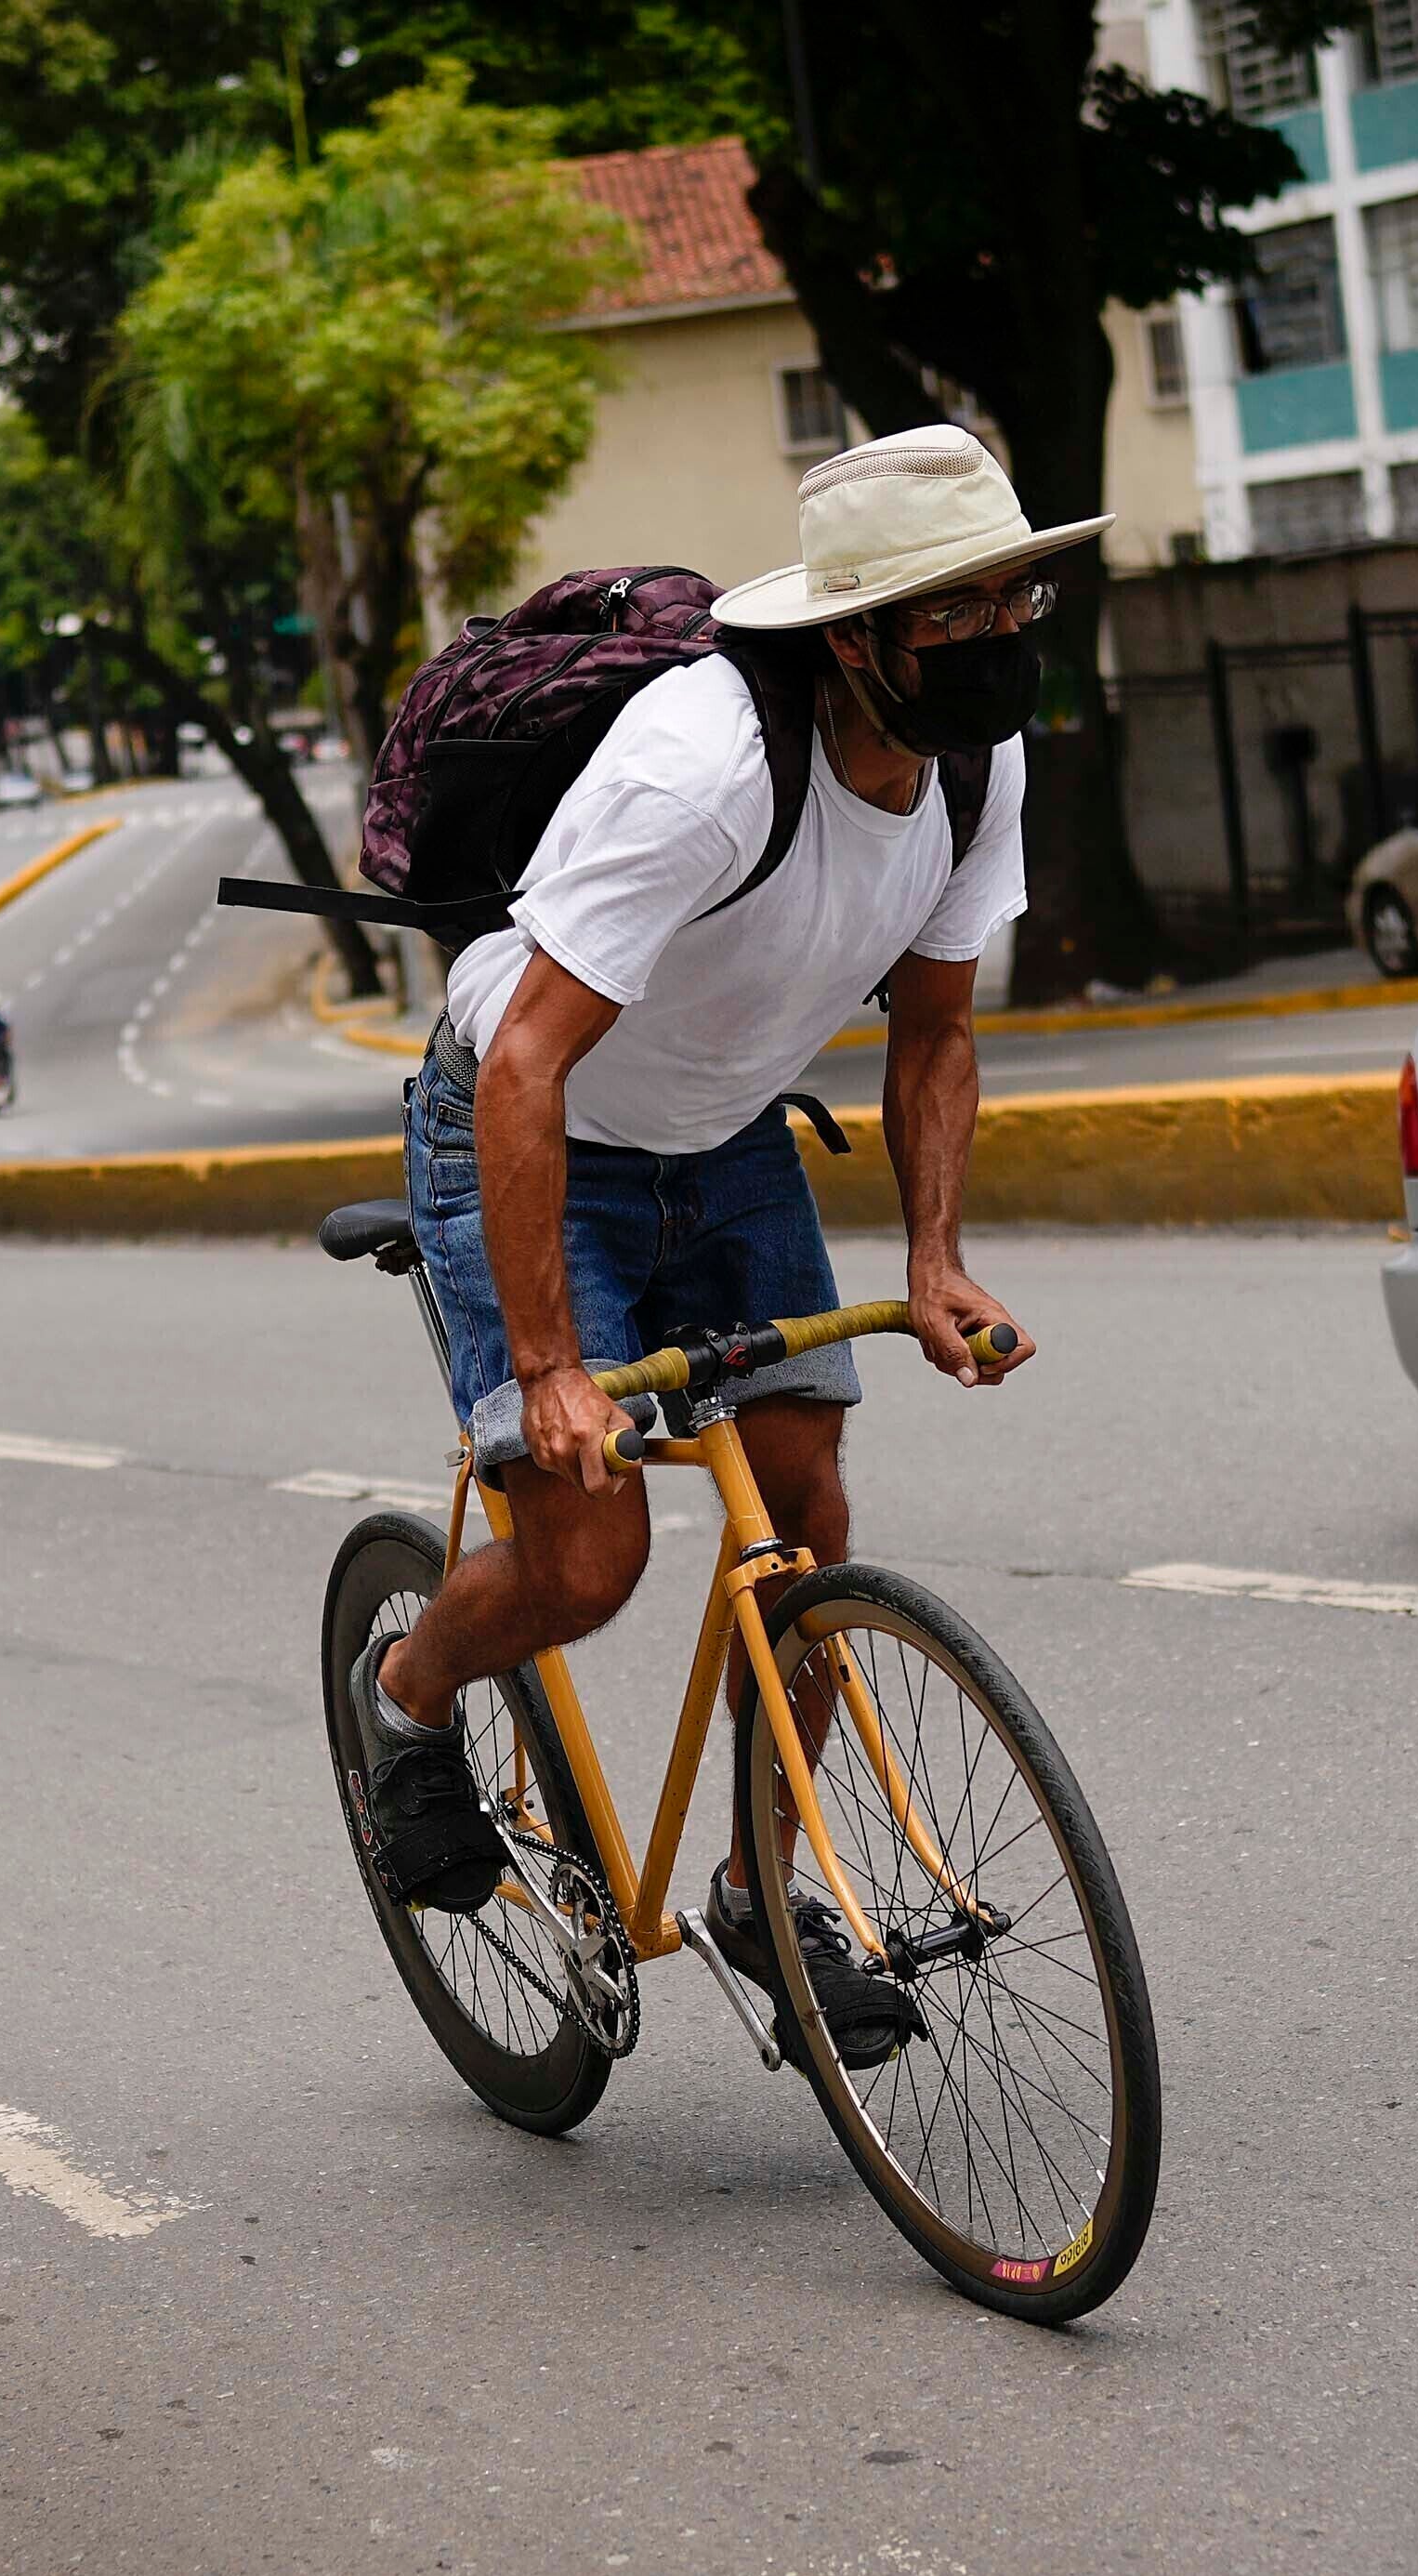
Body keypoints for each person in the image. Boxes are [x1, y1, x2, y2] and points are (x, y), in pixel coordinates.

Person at [348, 424, 1081, 2068]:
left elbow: (937, 1030)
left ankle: (763, 1883)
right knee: (586, 1559)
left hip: (723, 1134)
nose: (997, 640)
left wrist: (939, 1258)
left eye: (1013, 597)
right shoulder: (702, 766)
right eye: (952, 613)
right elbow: (528, 1059)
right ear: (853, 637)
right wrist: (550, 1367)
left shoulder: (976, 765)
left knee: (806, 1515)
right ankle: (404, 1703)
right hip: (533, 1129)